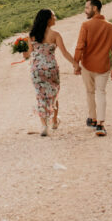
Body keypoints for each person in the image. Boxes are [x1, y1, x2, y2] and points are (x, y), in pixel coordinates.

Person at [73, 0, 112, 137]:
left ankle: (92, 118)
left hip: (87, 66)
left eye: (87, 8)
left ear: (95, 8)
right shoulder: (111, 27)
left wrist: (76, 64)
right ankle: (100, 124)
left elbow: (80, 46)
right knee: (101, 92)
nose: (85, 10)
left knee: (90, 92)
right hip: (103, 67)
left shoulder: (86, 25)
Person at [26, 8, 75, 136]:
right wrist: (75, 64)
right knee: (54, 94)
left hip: (36, 70)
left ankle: (44, 126)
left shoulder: (31, 35)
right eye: (53, 16)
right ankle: (54, 121)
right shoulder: (55, 35)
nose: (55, 18)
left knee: (40, 96)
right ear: (48, 19)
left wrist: (20, 48)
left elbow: (26, 56)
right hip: (51, 69)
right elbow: (64, 53)